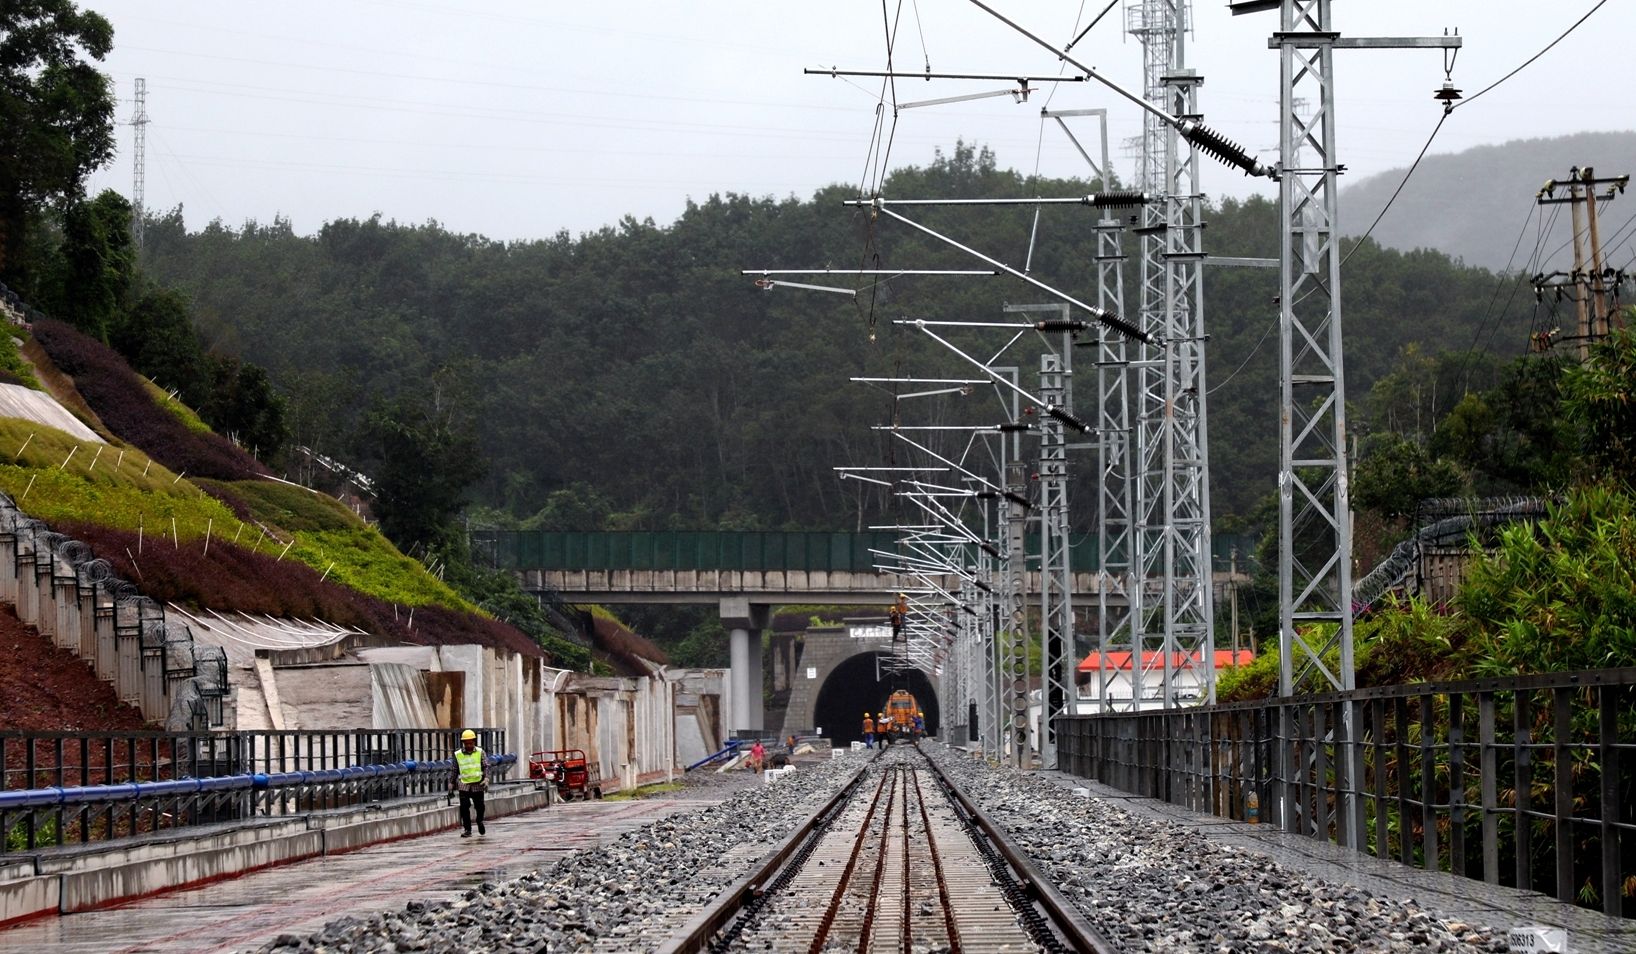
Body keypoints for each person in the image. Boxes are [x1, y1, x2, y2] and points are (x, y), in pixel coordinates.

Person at [452, 729, 490, 838]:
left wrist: (486, 778)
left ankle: (479, 821)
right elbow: (455, 769)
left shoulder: (480, 752)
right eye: (466, 743)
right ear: (463, 743)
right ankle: (467, 829)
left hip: (478, 785)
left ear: (474, 742)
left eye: (470, 743)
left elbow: (486, 766)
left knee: (480, 806)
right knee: (464, 807)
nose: (469, 745)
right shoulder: (458, 754)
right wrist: (451, 783)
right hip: (464, 785)